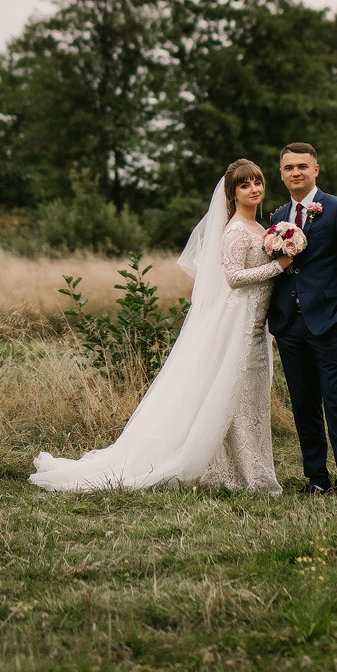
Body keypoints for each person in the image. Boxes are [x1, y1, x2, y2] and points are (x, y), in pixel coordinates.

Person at [29, 160, 290, 494]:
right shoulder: (237, 230)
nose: (254, 189)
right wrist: (279, 266)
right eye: (245, 185)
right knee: (233, 395)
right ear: (232, 193)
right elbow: (234, 277)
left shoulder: (259, 227)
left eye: (257, 182)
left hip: (254, 323)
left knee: (247, 398)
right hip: (237, 324)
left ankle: (243, 470)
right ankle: (242, 475)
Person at [267, 142, 337, 497]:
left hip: (330, 323)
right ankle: (316, 478)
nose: (295, 172)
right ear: (281, 175)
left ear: (315, 170)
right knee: (303, 405)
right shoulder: (277, 218)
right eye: (288, 167)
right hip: (290, 326)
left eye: (302, 166)